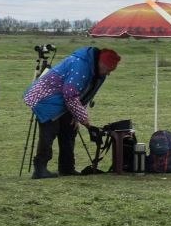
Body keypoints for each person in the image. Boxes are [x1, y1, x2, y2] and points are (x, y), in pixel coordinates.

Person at [24, 47, 121, 178]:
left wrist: (77, 115)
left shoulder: (98, 73)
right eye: (108, 70)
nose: (108, 73)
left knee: (69, 129)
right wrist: (83, 118)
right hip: (46, 98)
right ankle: (40, 169)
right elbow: (70, 94)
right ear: (102, 64)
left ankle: (67, 167)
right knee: (49, 132)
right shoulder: (80, 65)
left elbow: (87, 93)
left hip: (63, 100)